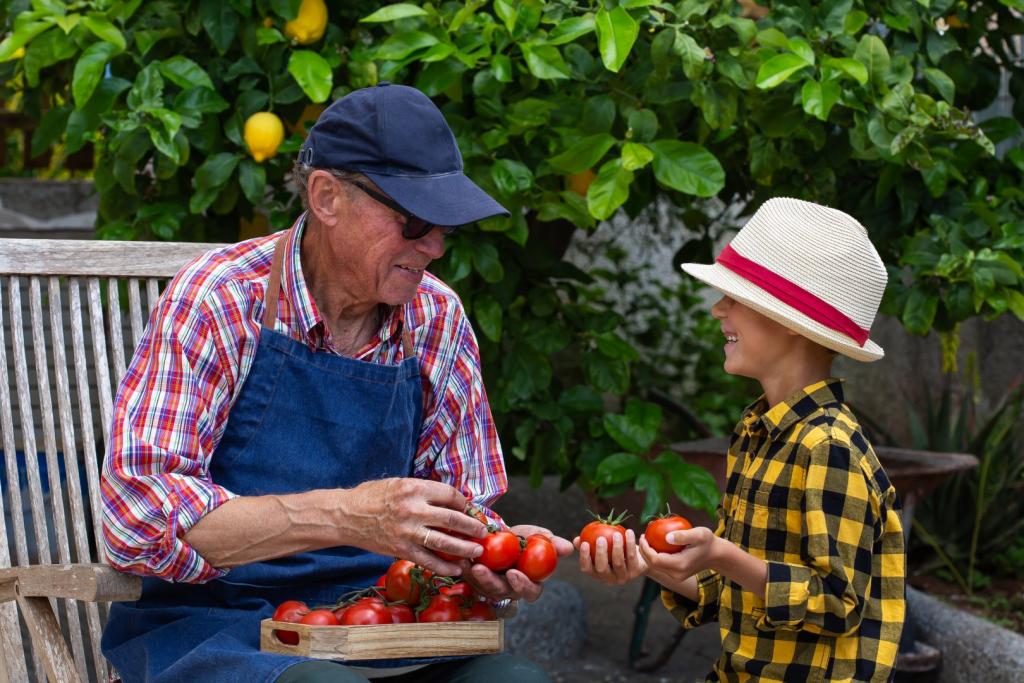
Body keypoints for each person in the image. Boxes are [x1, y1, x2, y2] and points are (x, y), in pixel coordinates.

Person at [100, 83, 570, 683]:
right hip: (213, 624)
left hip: (379, 624)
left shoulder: (435, 317)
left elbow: (464, 505)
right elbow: (137, 519)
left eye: (446, 227)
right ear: (326, 196)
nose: (435, 247)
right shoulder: (222, 298)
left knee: (515, 682)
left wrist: (492, 554)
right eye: (417, 221)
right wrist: (347, 515)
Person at [576, 198, 906, 682]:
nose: (717, 309)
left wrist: (721, 555)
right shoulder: (758, 432)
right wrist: (647, 561)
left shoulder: (828, 447)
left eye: (737, 297)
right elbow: (738, 591)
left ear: (791, 323)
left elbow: (837, 603)